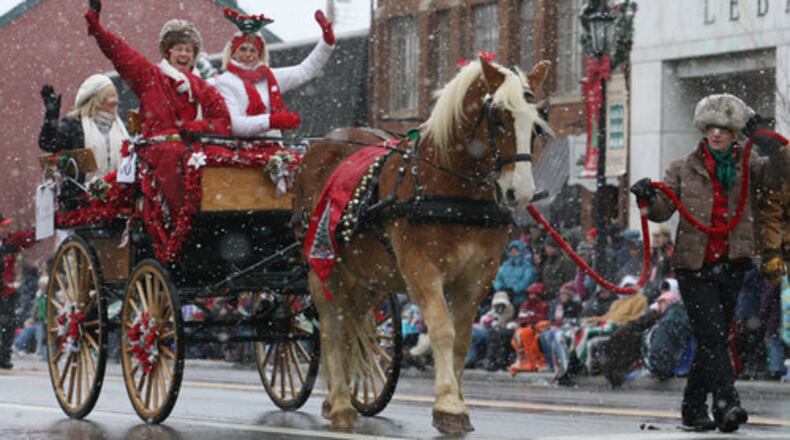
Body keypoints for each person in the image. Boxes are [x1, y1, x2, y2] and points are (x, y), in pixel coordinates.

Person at [630, 94, 790, 432]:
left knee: (712, 339)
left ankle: (692, 409)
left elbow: (782, 173)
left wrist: (771, 143)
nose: (716, 134)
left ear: (735, 134)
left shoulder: (751, 164)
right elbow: (660, 210)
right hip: (694, 265)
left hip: (733, 262)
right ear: (704, 130)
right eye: (711, 128)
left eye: (724, 129)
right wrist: (646, 196)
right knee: (714, 335)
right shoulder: (681, 168)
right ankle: (727, 403)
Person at [83, 0, 231, 213]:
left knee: (224, 158)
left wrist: (201, 128)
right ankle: (181, 215)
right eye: (179, 49)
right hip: (159, 153)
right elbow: (121, 54)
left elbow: (223, 122)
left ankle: (220, 210)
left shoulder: (204, 88)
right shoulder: (150, 77)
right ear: (168, 53)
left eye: (189, 50)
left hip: (194, 149)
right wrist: (98, 29)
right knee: (178, 157)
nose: (184, 54)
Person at [211, 8, 335, 138]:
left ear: (259, 54)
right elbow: (235, 125)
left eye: (253, 50)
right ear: (233, 53)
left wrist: (326, 43)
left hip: (275, 147)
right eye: (243, 49)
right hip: (242, 151)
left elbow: (305, 70)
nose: (248, 54)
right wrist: (272, 121)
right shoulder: (223, 82)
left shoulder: (270, 77)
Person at [39, 75, 129, 178]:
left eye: (115, 95)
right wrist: (51, 115)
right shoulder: (74, 124)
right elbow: (47, 143)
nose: (115, 101)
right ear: (96, 101)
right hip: (81, 192)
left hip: (117, 192)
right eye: (110, 96)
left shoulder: (119, 126)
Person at [0, 214, 37, 369]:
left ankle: (4, 356)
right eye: (4, 226)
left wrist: (42, 226)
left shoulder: (11, 241)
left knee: (8, 325)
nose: (8, 228)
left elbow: (30, 238)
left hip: (6, 292)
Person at [509, 283, 550, 375]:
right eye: (530, 294)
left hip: (536, 329)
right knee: (517, 336)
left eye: (534, 294)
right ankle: (522, 360)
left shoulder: (543, 305)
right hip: (524, 328)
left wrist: (529, 321)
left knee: (526, 335)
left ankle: (532, 361)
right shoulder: (525, 304)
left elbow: (541, 318)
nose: (532, 296)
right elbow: (521, 317)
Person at [492, 240, 537, 308]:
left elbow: (527, 281)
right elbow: (497, 279)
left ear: (521, 252)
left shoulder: (528, 267)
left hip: (520, 299)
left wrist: (513, 290)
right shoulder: (504, 266)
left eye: (516, 251)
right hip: (503, 298)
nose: (514, 253)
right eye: (512, 251)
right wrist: (501, 288)